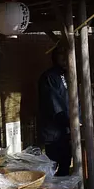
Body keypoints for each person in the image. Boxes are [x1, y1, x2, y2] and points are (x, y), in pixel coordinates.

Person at [38, 46, 72, 176]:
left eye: (66, 54)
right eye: (60, 54)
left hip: (67, 131)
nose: (64, 58)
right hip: (53, 133)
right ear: (54, 57)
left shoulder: (69, 75)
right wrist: (69, 121)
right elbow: (53, 104)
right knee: (53, 167)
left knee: (66, 165)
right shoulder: (49, 77)